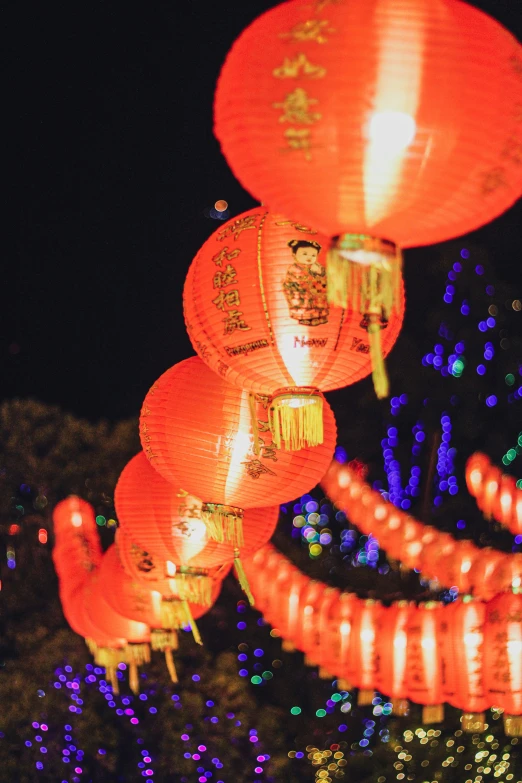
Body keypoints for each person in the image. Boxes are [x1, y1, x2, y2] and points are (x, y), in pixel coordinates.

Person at [283, 239, 329, 326]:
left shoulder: (316, 266)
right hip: (302, 293)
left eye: (313, 255)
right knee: (306, 306)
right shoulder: (294, 268)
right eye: (304, 254)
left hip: (315, 291)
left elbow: (324, 276)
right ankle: (306, 319)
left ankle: (319, 317)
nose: (309, 257)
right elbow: (295, 280)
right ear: (294, 255)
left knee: (318, 304)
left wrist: (319, 272)